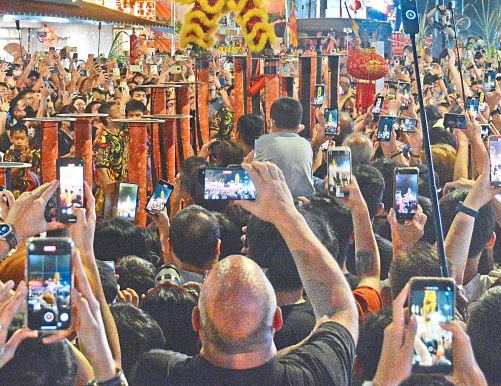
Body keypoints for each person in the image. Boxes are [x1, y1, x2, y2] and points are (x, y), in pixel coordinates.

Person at [132, 161, 358, 384]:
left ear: (197, 320)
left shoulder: (156, 373)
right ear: (276, 319)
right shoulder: (314, 376)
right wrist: (286, 214)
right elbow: (338, 308)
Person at [252, 98, 315, 199]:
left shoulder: (264, 141)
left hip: (275, 204)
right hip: (304, 203)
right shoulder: (306, 144)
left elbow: (255, 179)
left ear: (271, 122)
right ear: (298, 125)